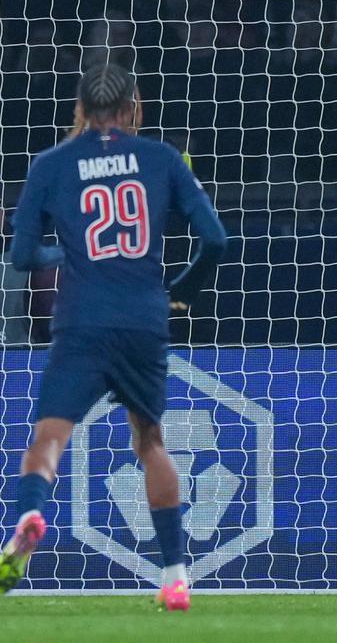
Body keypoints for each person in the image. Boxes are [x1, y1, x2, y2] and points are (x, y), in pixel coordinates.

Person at [0, 64, 227, 611]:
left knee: (48, 439)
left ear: (79, 109)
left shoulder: (51, 165)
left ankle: (30, 516)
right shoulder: (162, 158)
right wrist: (181, 291)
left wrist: (68, 255)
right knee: (150, 443)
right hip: (143, 317)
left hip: (81, 318)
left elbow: (21, 255)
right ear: (133, 107)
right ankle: (174, 575)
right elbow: (216, 240)